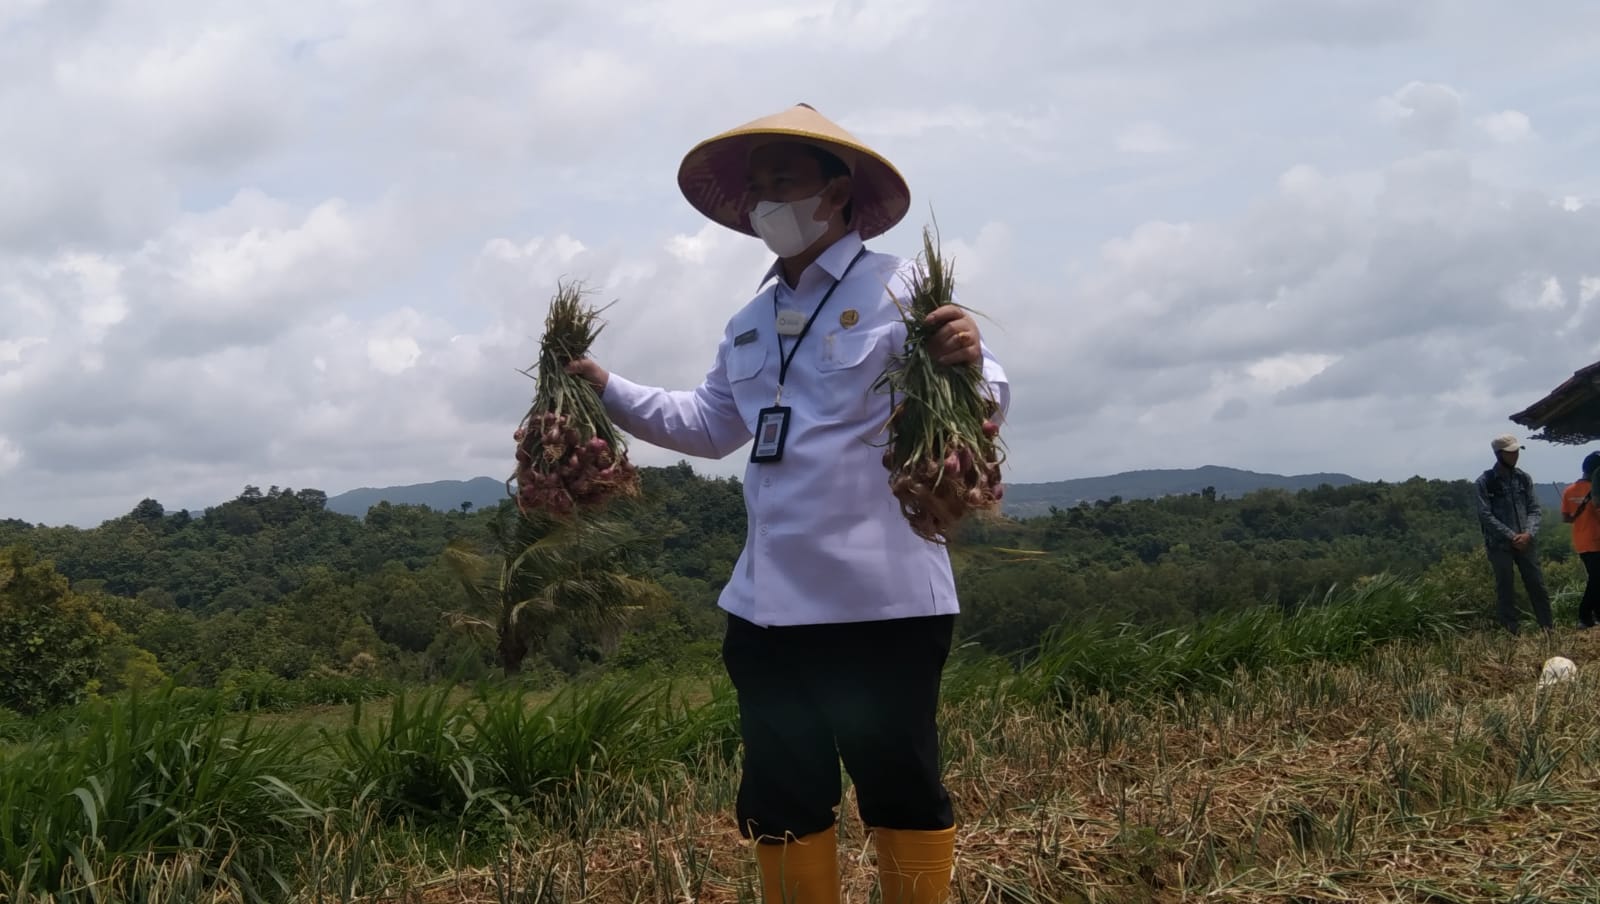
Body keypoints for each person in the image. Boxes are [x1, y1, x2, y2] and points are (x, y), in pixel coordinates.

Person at [567, 103, 1010, 904]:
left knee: (899, 788)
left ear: (837, 191)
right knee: (780, 802)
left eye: (787, 180)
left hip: (882, 602)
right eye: (758, 185)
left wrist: (968, 360)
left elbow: (981, 395)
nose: (768, 197)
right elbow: (708, 426)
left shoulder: (900, 286)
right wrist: (608, 389)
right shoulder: (748, 322)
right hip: (768, 609)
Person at [1475, 434, 1552, 635]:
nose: (1516, 455)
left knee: (1536, 584)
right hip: (1499, 545)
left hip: (1526, 542)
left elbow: (1534, 509)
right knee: (1505, 587)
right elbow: (1485, 515)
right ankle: (1512, 632)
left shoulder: (1523, 478)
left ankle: (1548, 628)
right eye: (1511, 452)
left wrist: (1528, 534)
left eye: (1517, 451)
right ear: (1499, 454)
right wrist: (1511, 536)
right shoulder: (1485, 482)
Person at [1560, 450, 1600, 628]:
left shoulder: (1569, 490)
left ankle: (1596, 615)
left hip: (1581, 541)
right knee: (1597, 579)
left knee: (1595, 578)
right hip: (1596, 540)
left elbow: (1566, 518)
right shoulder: (1596, 489)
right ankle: (1584, 615)